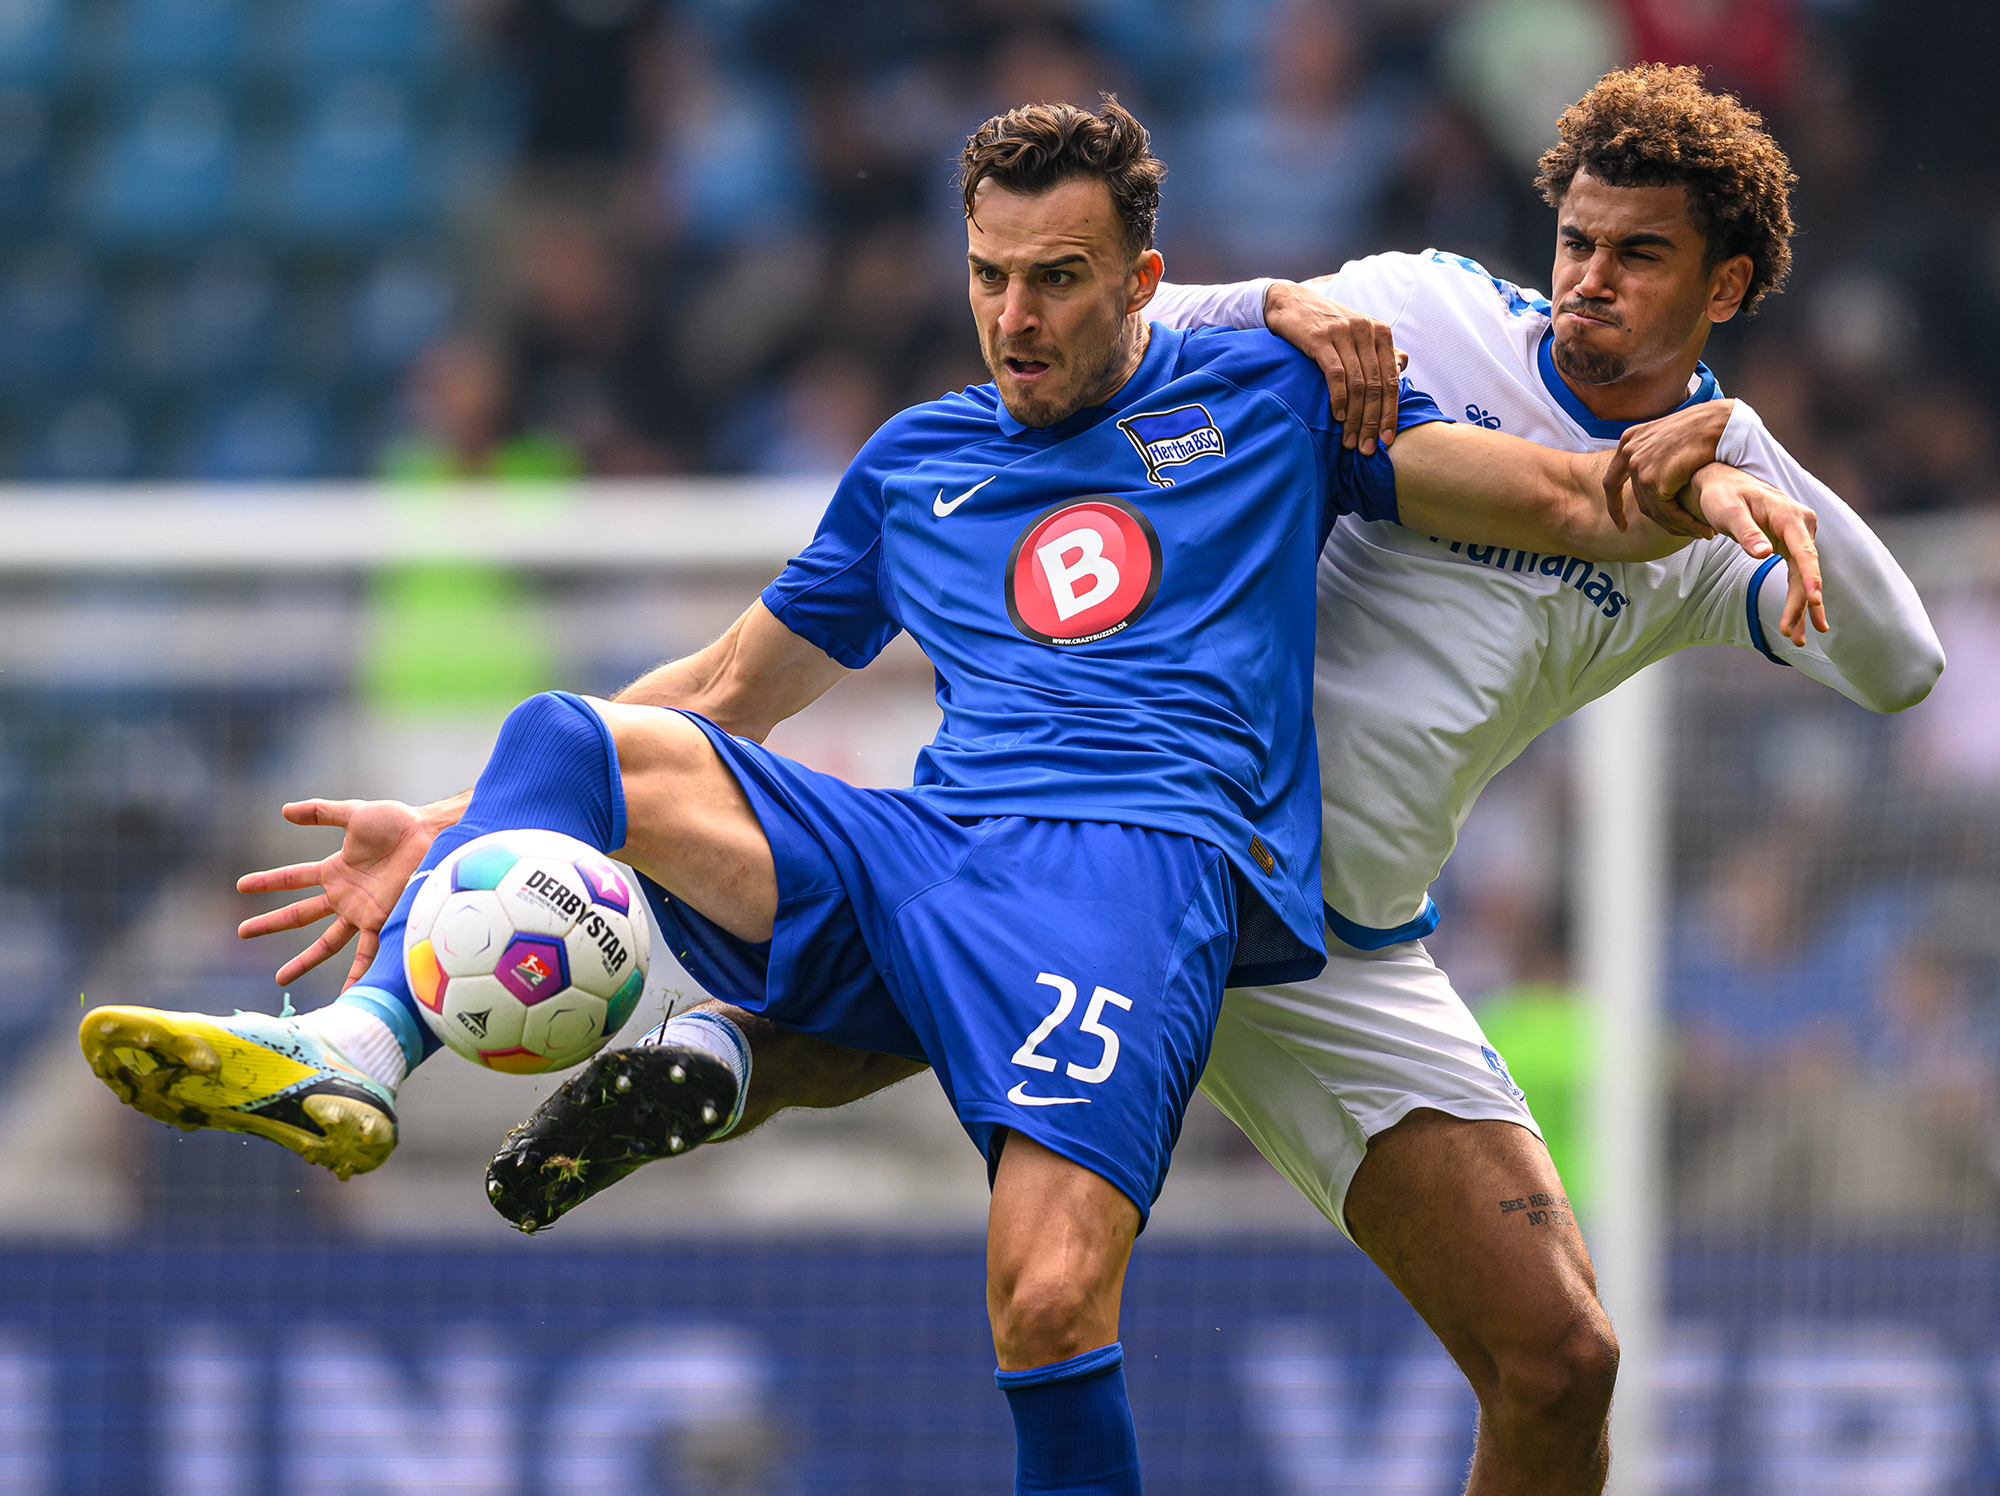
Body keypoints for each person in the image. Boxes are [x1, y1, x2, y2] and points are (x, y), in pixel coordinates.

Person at [77, 97, 1809, 1495]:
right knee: (578, 732)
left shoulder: (1271, 393)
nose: (1015, 318)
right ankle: (360, 1056)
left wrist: (1696, 483)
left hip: (1142, 869)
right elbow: (725, 690)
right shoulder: (919, 460)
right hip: (930, 839)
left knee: (1047, 1299)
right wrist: (459, 830)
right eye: (989, 275)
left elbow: (1557, 497)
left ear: (1148, 278)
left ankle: (739, 1055)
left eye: (1058, 279)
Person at [506, 64, 1935, 1495]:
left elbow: (1901, 664)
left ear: (1728, 284)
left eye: (1640, 257)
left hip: (1346, 950)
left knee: (1565, 1363)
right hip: (1165, 838)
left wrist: (1747, 455)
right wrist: (1283, 302)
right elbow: (1123, 310)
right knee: (1046, 1096)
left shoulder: (1710, 529)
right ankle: (740, 1056)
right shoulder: (1433, 307)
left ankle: (738, 1056)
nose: (1589, 281)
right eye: (1576, 239)